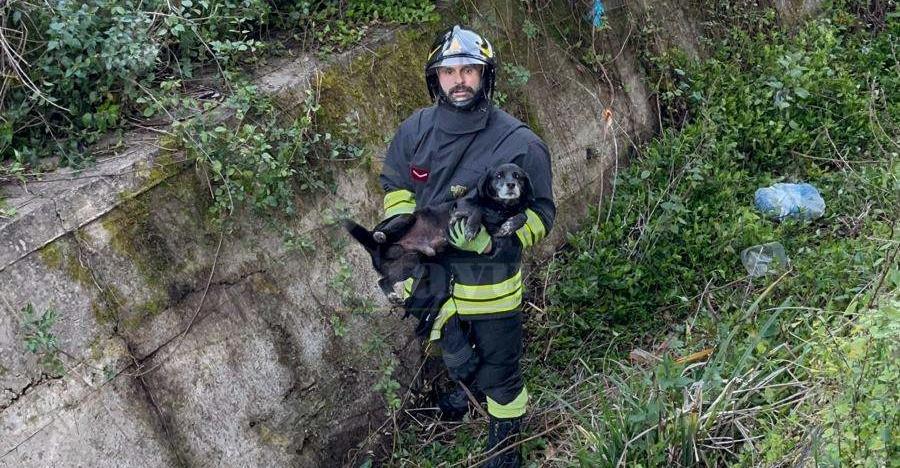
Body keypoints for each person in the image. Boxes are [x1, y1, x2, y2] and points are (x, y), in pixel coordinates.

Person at [377, 25, 555, 467]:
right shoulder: (414, 131)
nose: (459, 80)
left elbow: (542, 216)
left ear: (486, 76)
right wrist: (402, 225)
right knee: (455, 353)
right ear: (435, 78)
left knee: (501, 376)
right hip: (432, 280)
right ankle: (464, 383)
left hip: (490, 287)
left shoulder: (520, 143)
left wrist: (496, 237)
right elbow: (397, 185)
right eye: (449, 71)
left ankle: (505, 447)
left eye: (469, 70)